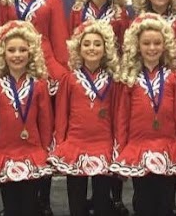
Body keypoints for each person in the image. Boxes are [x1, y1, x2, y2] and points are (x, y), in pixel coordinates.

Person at [0, 0, 69, 216]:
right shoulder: (6, 0)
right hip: (14, 69)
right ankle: (15, 199)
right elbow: (0, 40)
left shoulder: (52, 0)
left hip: (45, 71)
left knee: (42, 135)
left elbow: (59, 38)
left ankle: (43, 200)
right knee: (13, 135)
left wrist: (63, 75)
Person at [110, 13, 176, 216]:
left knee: (166, 202)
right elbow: (122, 118)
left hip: (168, 147)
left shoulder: (173, 78)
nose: (152, 48)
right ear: (137, 46)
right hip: (139, 148)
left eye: (157, 43)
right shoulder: (129, 79)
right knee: (142, 201)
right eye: (146, 43)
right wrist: (121, 150)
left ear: (165, 45)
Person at [69, 0, 130, 215]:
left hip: (111, 75)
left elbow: (125, 45)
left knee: (110, 132)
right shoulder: (77, 10)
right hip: (86, 73)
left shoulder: (120, 13)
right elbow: (72, 42)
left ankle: (113, 197)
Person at [0, 20, 54, 216]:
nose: (17, 55)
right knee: (10, 206)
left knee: (29, 206)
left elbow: (45, 122)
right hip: (5, 153)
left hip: (32, 153)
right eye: (11, 50)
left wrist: (46, 152)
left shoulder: (40, 85)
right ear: (3, 54)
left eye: (22, 50)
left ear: (31, 53)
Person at [47, 19, 120, 216]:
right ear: (78, 48)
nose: (92, 48)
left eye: (97, 44)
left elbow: (117, 115)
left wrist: (117, 144)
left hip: (103, 144)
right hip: (75, 144)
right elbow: (62, 114)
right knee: (76, 198)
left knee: (103, 199)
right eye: (86, 44)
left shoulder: (114, 79)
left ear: (106, 49)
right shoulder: (69, 79)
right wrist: (60, 143)